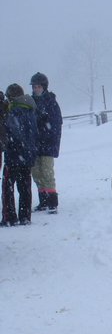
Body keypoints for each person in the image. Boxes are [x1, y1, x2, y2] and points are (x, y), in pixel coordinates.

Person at [1, 84, 38, 226]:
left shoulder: (14, 112)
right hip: (28, 156)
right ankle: (25, 216)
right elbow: (33, 134)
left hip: (14, 156)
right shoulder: (30, 110)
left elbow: (14, 134)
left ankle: (9, 217)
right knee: (25, 187)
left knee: (7, 187)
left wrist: (8, 144)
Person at [30, 72, 62, 213]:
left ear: (44, 86)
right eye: (34, 87)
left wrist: (45, 126)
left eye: (38, 86)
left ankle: (52, 202)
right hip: (34, 144)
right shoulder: (31, 102)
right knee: (36, 173)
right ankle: (43, 200)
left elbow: (56, 124)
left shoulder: (51, 102)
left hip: (47, 144)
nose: (36, 89)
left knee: (47, 172)